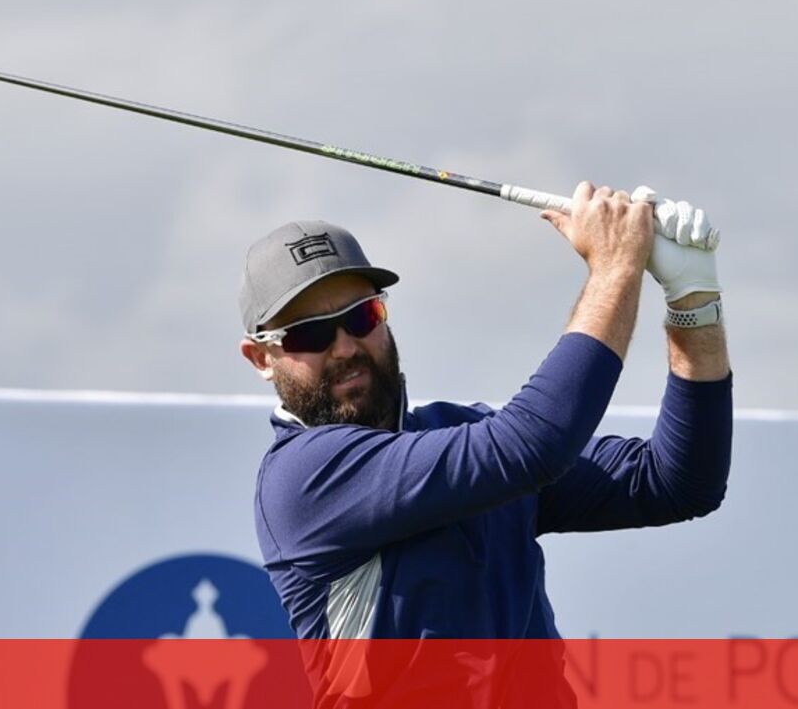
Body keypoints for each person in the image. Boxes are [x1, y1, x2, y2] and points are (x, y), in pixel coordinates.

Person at [238, 182, 732, 705]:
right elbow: (533, 443)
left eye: (362, 317)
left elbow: (677, 482)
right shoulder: (303, 476)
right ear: (260, 358)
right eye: (309, 335)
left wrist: (692, 301)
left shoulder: (459, 433)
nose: (344, 347)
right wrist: (614, 268)